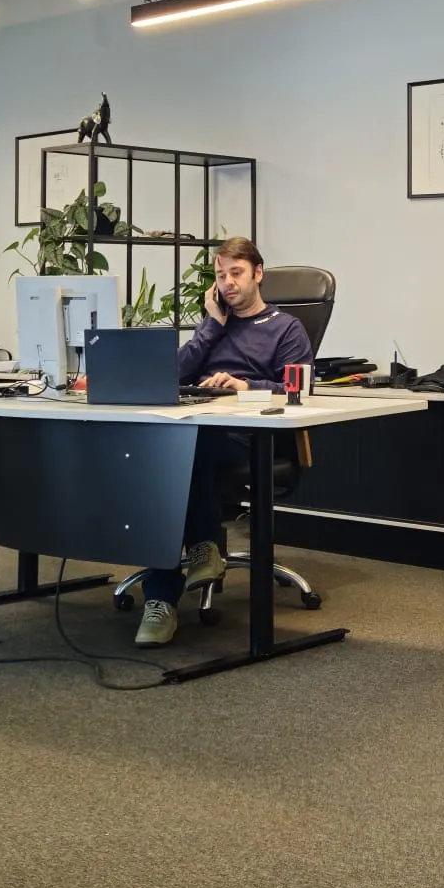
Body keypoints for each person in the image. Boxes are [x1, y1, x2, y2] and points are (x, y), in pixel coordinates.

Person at [134, 237, 313, 647]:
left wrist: (242, 385)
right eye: (220, 276)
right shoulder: (215, 326)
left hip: (250, 436)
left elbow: (298, 386)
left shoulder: (285, 327)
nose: (228, 283)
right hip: (200, 425)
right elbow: (173, 373)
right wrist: (211, 325)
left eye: (236, 273)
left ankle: (180, 575)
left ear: (258, 273)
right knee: (166, 450)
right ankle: (190, 564)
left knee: (181, 448)